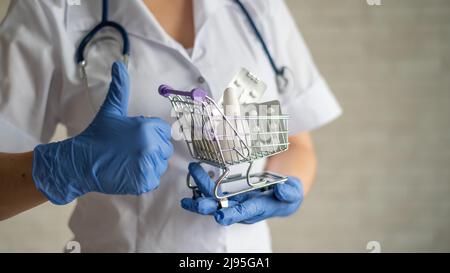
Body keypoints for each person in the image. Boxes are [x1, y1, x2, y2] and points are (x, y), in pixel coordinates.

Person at [0, 0, 341, 252]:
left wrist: (276, 185)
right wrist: (66, 167)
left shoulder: (258, 8)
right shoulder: (48, 10)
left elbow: (297, 144)